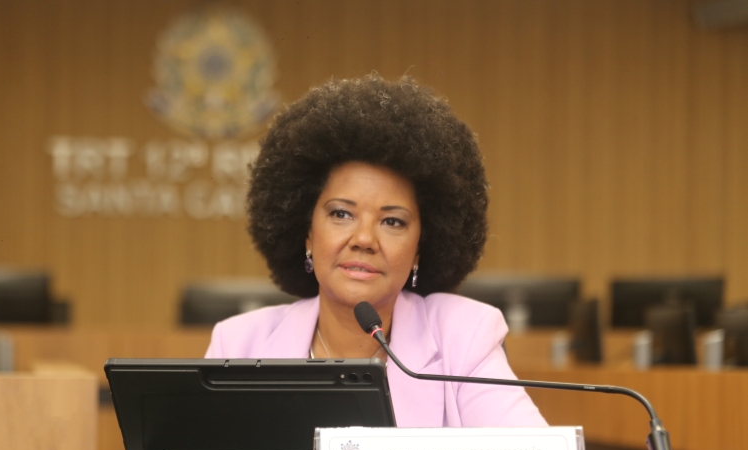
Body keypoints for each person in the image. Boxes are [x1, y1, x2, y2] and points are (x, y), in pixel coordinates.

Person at [205, 73, 546, 428]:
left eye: (392, 222)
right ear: (306, 232)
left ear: (419, 248)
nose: (364, 239)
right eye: (341, 214)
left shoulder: (464, 336)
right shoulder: (239, 345)